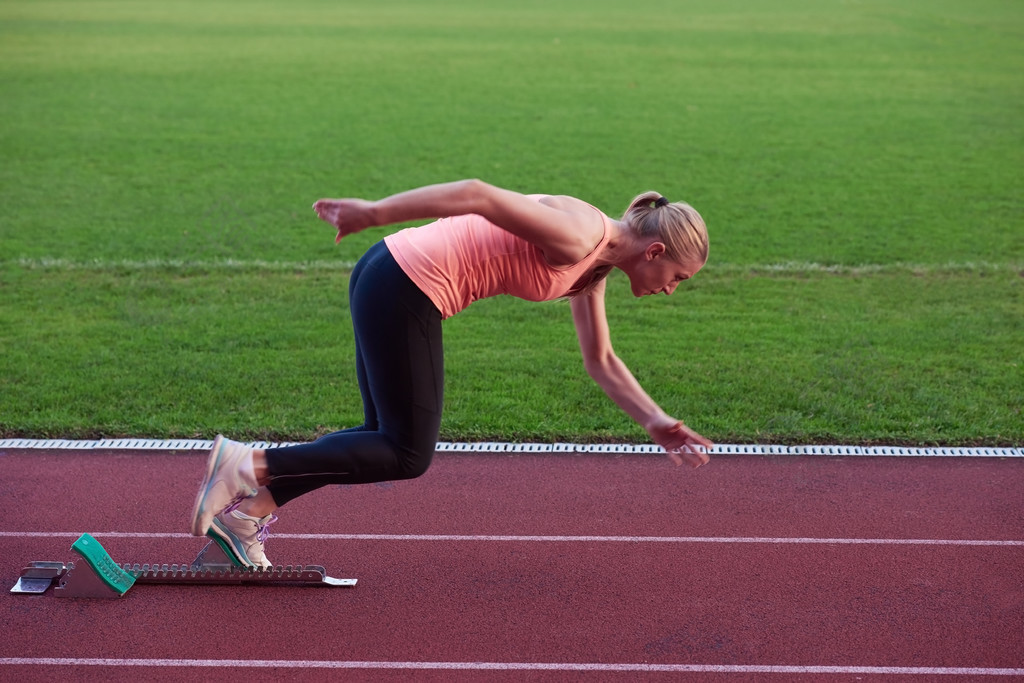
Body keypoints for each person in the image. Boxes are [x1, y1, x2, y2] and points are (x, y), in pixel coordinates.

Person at [190, 179, 714, 568]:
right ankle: (247, 463)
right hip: (405, 285)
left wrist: (655, 420)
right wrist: (373, 211)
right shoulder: (581, 235)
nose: (671, 289)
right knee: (406, 452)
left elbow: (600, 359)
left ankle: (245, 517)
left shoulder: (596, 261)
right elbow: (477, 193)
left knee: (381, 439)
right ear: (656, 251)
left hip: (389, 276)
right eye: (677, 279)